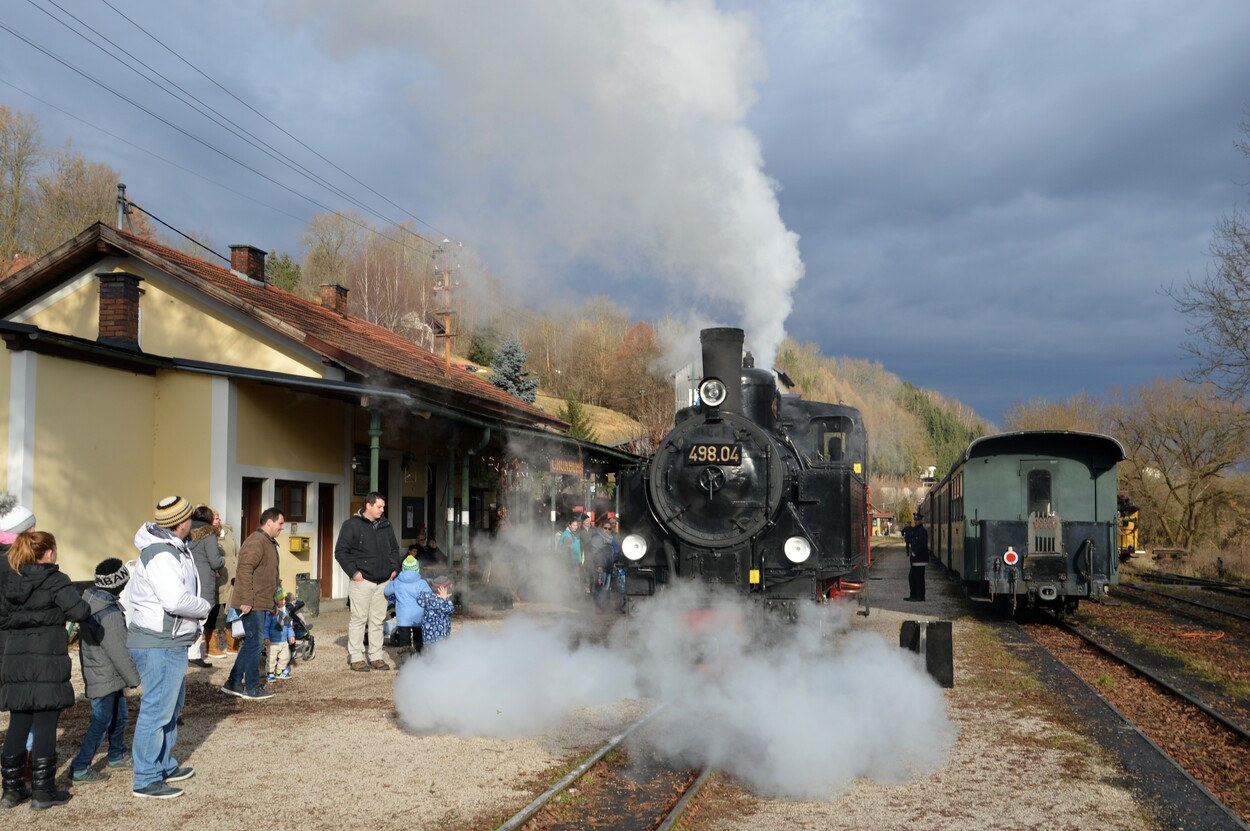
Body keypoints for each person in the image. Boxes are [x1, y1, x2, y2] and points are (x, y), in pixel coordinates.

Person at [128, 496, 212, 799]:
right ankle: (146, 777)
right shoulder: (162, 554)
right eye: (189, 518)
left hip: (171, 640)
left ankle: (163, 764)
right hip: (158, 643)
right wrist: (204, 608)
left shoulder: (175, 547)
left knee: (170, 706)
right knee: (157, 709)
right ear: (182, 522)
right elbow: (175, 600)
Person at [0, 530, 90, 809]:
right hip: (46, 658)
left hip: (15, 658)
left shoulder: (9, 580)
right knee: (45, 725)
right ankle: (43, 792)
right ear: (49, 552)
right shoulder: (54, 580)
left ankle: (11, 791)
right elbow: (80, 612)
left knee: (18, 722)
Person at [70, 558, 141, 783]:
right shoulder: (108, 614)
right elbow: (118, 651)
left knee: (119, 716)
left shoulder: (92, 599)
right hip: (105, 675)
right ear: (118, 584)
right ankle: (81, 766)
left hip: (104, 674)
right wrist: (134, 678)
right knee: (101, 721)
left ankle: (116, 754)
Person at [334, 493, 402, 672]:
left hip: (383, 582)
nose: (382, 510)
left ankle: (376, 656)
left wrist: (395, 569)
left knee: (378, 621)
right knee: (358, 620)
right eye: (379, 506)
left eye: (383, 507)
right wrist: (354, 573)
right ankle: (356, 657)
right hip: (362, 581)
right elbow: (341, 552)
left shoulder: (386, 525)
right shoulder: (351, 525)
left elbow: (395, 549)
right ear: (368, 505)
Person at [222, 508, 283, 701]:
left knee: (251, 643)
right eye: (280, 523)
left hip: (261, 601)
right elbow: (244, 571)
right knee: (255, 644)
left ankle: (233, 682)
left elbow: (269, 575)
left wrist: (273, 601)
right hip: (252, 602)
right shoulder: (256, 542)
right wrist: (246, 599)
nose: (282, 527)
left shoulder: (268, 542)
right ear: (269, 522)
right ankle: (252, 688)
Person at [187, 505, 224, 668]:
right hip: (203, 581)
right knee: (201, 617)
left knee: (187, 616)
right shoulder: (209, 535)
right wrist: (223, 561)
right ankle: (193, 655)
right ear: (209, 520)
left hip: (188, 579)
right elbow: (215, 561)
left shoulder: (185, 532)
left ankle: (186, 652)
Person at [384, 555, 431, 657]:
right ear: (417, 570)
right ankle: (420, 660)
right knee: (419, 639)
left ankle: (406, 664)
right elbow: (429, 596)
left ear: (403, 569)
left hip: (403, 618)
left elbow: (386, 591)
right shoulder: (421, 583)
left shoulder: (397, 582)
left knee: (404, 642)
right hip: (418, 617)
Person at [215, 514, 240, 654]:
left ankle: (232, 643)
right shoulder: (209, 536)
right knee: (218, 610)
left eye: (218, 517)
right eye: (215, 518)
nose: (218, 520)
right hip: (220, 576)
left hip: (233, 576)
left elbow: (238, 551)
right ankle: (213, 645)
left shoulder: (228, 532)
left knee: (233, 608)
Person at [415, 574, 455, 649]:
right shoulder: (445, 603)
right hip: (441, 637)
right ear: (444, 590)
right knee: (439, 656)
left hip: (428, 636)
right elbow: (450, 610)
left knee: (430, 655)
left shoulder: (428, 597)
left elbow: (419, 600)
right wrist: (444, 599)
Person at [264, 588, 296, 682]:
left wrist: (291, 635)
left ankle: (279, 671)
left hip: (283, 641)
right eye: (282, 599)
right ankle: (270, 673)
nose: (285, 601)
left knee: (285, 657)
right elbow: (265, 627)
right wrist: (266, 637)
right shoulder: (270, 614)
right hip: (273, 642)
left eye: (285, 599)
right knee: (271, 659)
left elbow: (288, 626)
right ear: (275, 601)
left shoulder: (285, 612)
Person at [905, 513, 930, 602]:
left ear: (920, 521)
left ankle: (920, 596)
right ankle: (914, 595)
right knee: (913, 577)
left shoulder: (922, 531)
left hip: (920, 559)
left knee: (918, 578)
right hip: (916, 559)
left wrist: (915, 552)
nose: (915, 522)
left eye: (917, 520)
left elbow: (923, 544)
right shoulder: (917, 530)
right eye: (915, 520)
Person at [556, 514, 583, 587]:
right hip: (569, 561)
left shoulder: (575, 534)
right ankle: (569, 594)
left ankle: (572, 593)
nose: (575, 527)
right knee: (570, 579)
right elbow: (565, 549)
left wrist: (579, 559)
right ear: (569, 525)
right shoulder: (566, 535)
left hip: (575, 560)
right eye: (573, 525)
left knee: (574, 579)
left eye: (576, 525)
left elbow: (577, 548)